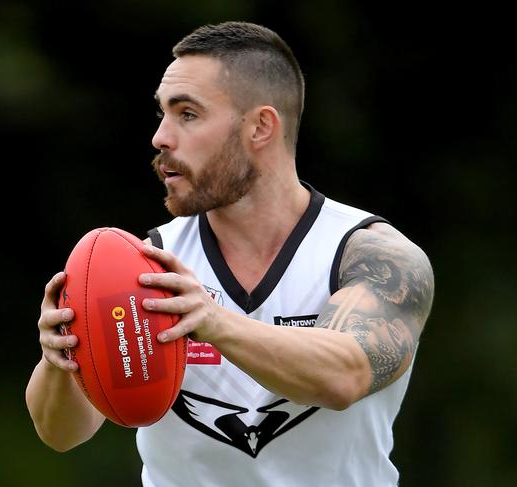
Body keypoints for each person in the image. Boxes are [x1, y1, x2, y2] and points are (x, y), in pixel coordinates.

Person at [25, 21, 435, 487]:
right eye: (161, 114)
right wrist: (60, 359)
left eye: (188, 114)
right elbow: (61, 434)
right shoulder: (147, 263)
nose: (161, 137)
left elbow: (344, 376)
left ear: (260, 127)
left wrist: (214, 321)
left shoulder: (371, 254)